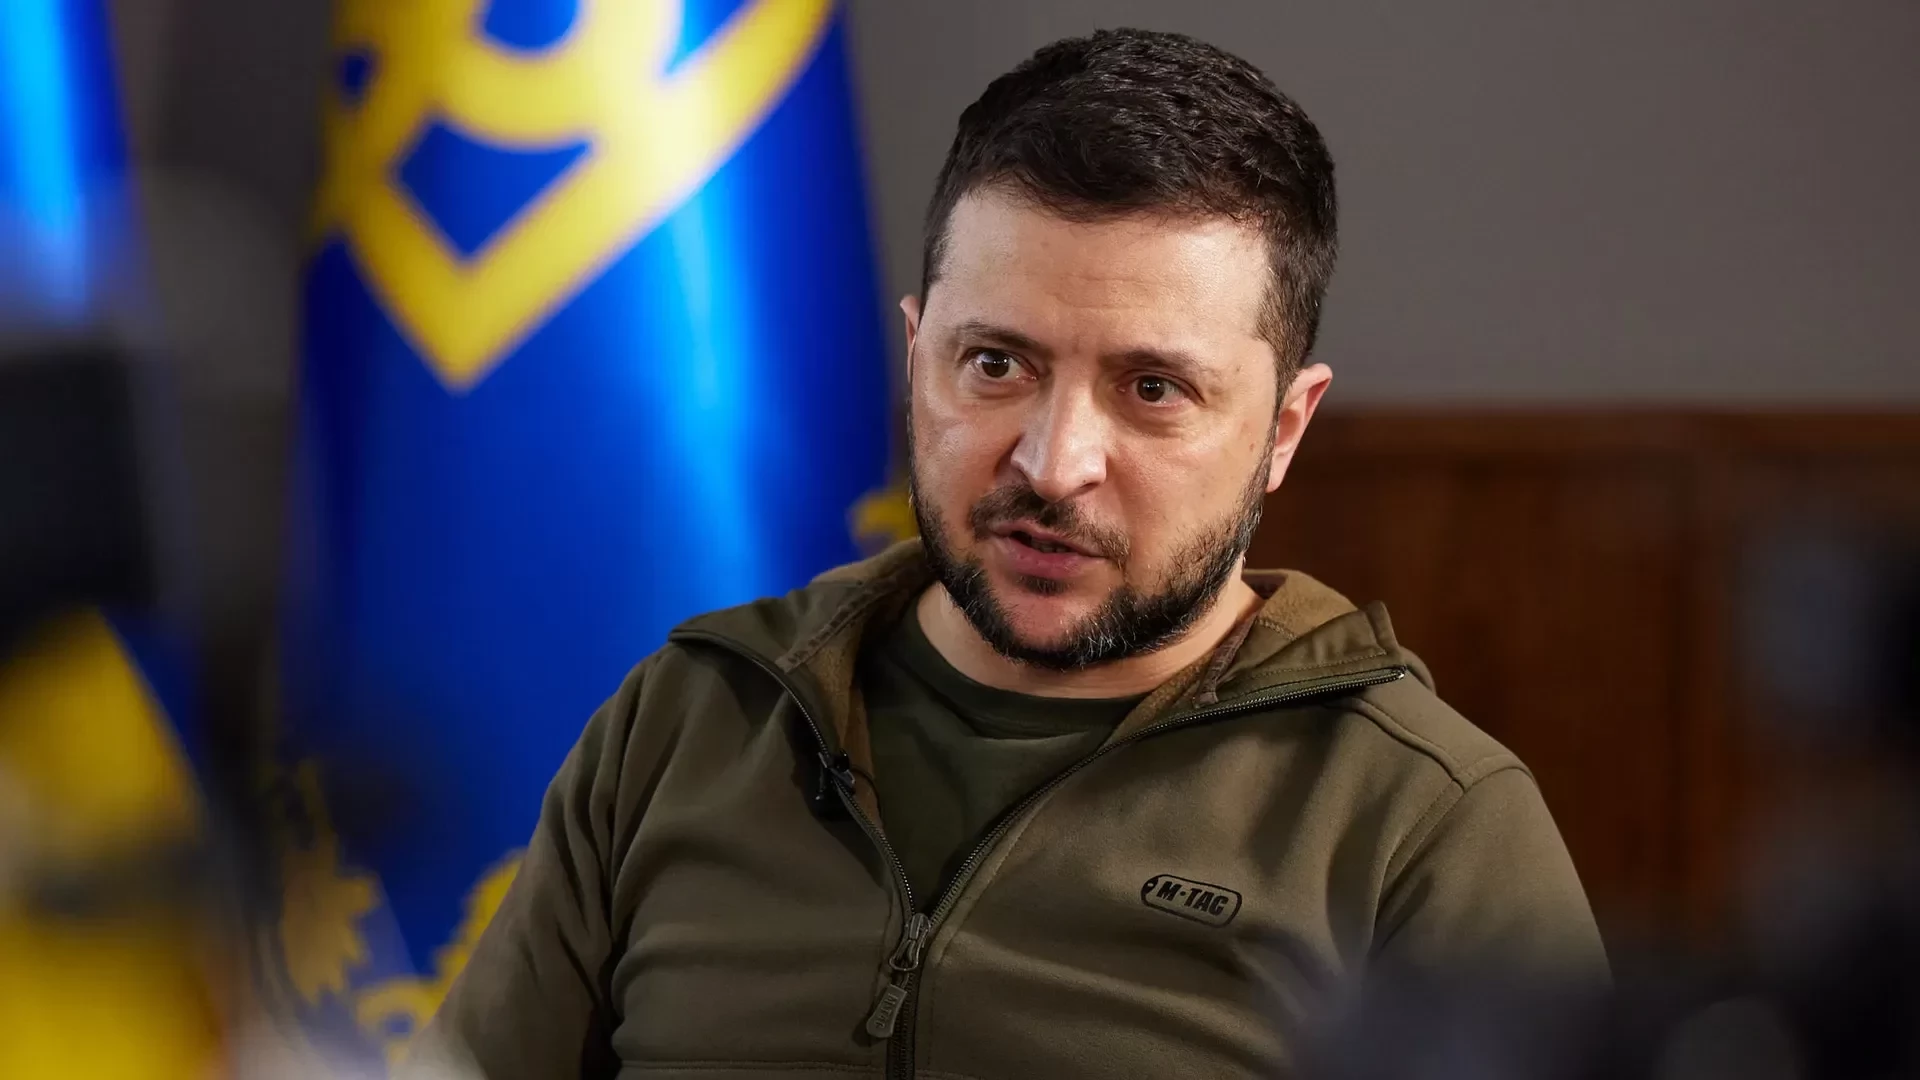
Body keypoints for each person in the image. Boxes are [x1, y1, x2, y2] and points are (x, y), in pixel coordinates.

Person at [413, 27, 1607, 1079]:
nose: (1052, 462)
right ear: (919, 353)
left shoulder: (1420, 823)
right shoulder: (686, 724)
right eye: (996, 365)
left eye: (1152, 389)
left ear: (1283, 430)